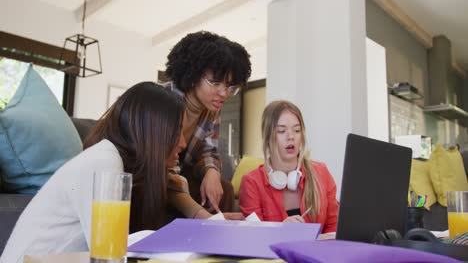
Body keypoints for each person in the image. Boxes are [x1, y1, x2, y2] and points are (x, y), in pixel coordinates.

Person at [0, 82, 186, 263]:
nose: (183, 143)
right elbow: (110, 252)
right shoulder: (104, 161)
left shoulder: (117, 165)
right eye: (178, 131)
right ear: (153, 130)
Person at [164, 31, 251, 218]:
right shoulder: (165, 101)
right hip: (154, 174)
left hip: (182, 171)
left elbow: (209, 149)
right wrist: (203, 216)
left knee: (225, 188)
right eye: (215, 82)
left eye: (230, 86)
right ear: (192, 74)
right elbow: (164, 171)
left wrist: (212, 171)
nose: (224, 93)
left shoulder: (212, 109)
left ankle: (216, 240)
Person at [238, 100, 338, 233]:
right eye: (281, 131)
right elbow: (255, 239)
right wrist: (280, 231)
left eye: (297, 130)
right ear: (268, 137)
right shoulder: (252, 183)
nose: (291, 137)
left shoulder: (321, 172)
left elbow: (334, 227)